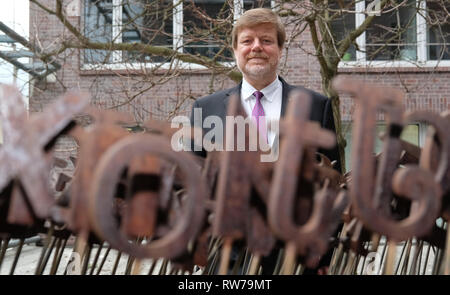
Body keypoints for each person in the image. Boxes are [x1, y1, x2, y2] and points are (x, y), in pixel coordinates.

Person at [189, 8, 341, 274]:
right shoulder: (206, 109)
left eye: (267, 40)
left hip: (297, 259)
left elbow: (333, 187)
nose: (256, 47)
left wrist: (326, 257)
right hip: (225, 260)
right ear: (235, 50)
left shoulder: (317, 107)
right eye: (247, 41)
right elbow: (193, 187)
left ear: (280, 49)